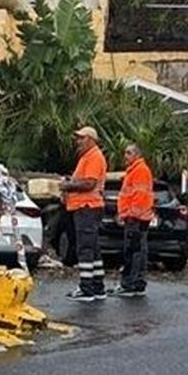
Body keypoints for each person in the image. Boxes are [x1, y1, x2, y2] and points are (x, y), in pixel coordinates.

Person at [59, 125, 109, 301]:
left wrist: (67, 186)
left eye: (81, 138)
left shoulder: (93, 157)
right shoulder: (87, 157)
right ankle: (97, 286)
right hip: (87, 207)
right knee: (93, 249)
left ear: (91, 140)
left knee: (85, 248)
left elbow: (89, 183)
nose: (78, 141)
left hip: (86, 207)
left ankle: (87, 288)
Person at [114, 144, 154, 297]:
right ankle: (135, 283)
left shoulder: (139, 171)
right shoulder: (136, 171)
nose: (125, 156)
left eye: (129, 153)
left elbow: (139, 196)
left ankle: (130, 284)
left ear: (137, 155)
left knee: (133, 252)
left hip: (135, 218)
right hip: (137, 217)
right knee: (137, 251)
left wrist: (129, 214)